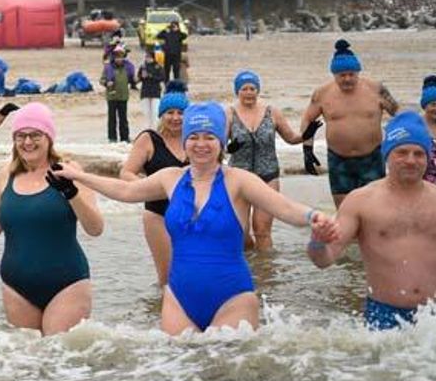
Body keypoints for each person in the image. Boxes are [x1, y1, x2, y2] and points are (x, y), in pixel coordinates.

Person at [61, 102, 338, 335]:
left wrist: (313, 216)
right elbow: (125, 190)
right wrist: (78, 176)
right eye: (193, 137)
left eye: (209, 137)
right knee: (181, 376)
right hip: (179, 298)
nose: (201, 144)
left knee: (228, 377)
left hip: (232, 296)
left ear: (221, 143)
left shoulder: (239, 181)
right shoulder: (170, 178)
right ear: (185, 141)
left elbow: (283, 207)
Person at [306, 111, 436, 329]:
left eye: (418, 154)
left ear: (428, 158)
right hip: (384, 316)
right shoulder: (360, 201)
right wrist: (317, 242)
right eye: (402, 152)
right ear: (387, 155)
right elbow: (324, 260)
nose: (411, 160)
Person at [0, 103, 104, 335]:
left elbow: (95, 228)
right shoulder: (6, 174)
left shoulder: (68, 170)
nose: (27, 142)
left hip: (67, 284)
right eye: (20, 136)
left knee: (58, 353)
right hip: (16, 287)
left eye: (35, 135)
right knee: (28, 355)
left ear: (49, 138)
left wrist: (71, 193)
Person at [298, 40, 400, 205]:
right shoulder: (322, 94)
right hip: (338, 159)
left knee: (375, 208)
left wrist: (401, 144)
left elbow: (399, 114)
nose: (347, 79)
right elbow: (308, 119)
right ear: (334, 75)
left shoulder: (376, 89)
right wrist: (307, 149)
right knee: (344, 209)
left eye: (351, 74)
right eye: (342, 75)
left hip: (372, 158)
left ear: (358, 72)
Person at [225, 70, 313, 249]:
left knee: (262, 230)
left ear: (258, 90)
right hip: (239, 178)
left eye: (252, 88)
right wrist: (229, 148)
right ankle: (249, 261)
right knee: (239, 232)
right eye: (244, 89)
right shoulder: (229, 113)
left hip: (268, 176)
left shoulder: (272, 112)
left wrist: (306, 135)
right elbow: (218, 145)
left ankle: (265, 265)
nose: (249, 93)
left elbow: (291, 138)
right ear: (237, 91)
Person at [121, 82, 188, 287]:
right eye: (170, 112)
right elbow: (126, 172)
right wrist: (149, 188)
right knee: (167, 278)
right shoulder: (149, 139)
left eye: (181, 112)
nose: (175, 117)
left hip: (190, 215)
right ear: (161, 115)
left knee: (191, 274)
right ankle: (163, 306)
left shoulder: (194, 140)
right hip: (158, 216)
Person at [101, 45, 135, 143]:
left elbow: (132, 80)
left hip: (123, 96)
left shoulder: (128, 68)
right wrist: (106, 83)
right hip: (111, 96)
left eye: (121, 57)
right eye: (117, 57)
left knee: (123, 118)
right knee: (112, 119)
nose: (119, 59)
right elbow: (102, 80)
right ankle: (112, 138)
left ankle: (125, 137)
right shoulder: (108, 68)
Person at [137, 47, 165, 128]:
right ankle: (147, 129)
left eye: (149, 57)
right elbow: (139, 77)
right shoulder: (143, 67)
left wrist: (151, 76)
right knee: (146, 113)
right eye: (146, 57)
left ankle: (155, 128)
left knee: (155, 112)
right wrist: (141, 77)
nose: (148, 59)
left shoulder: (158, 67)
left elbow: (162, 77)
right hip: (145, 91)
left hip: (155, 91)